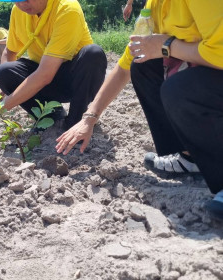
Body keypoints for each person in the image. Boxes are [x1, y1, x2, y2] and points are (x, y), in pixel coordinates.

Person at [56, 0, 223, 221]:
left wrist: (168, 46)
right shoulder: (156, 4)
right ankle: (191, 158)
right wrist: (89, 117)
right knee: (143, 64)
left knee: (180, 88)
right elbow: (126, 64)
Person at [0, 0, 107, 130]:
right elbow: (10, 51)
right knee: (3, 72)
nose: (21, 5)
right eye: (15, 0)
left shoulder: (67, 9)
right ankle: (51, 117)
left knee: (93, 54)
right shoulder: (18, 11)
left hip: (74, 80)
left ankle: (75, 121)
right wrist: (1, 87)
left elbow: (45, 75)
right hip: (43, 77)